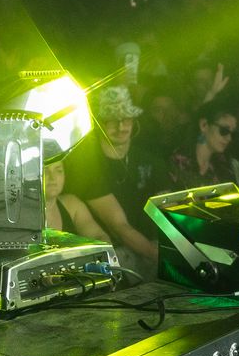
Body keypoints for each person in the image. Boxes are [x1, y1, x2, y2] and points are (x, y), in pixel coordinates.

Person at [60, 85, 164, 266]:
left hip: (148, 244)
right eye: (112, 120)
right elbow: (119, 227)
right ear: (100, 123)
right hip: (112, 253)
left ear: (134, 121)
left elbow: (168, 202)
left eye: (126, 119)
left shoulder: (147, 157)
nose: (121, 126)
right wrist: (160, 258)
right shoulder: (87, 162)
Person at [165, 97, 239, 190]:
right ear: (204, 125)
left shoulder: (224, 167)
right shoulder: (176, 162)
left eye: (233, 133)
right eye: (224, 130)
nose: (229, 138)